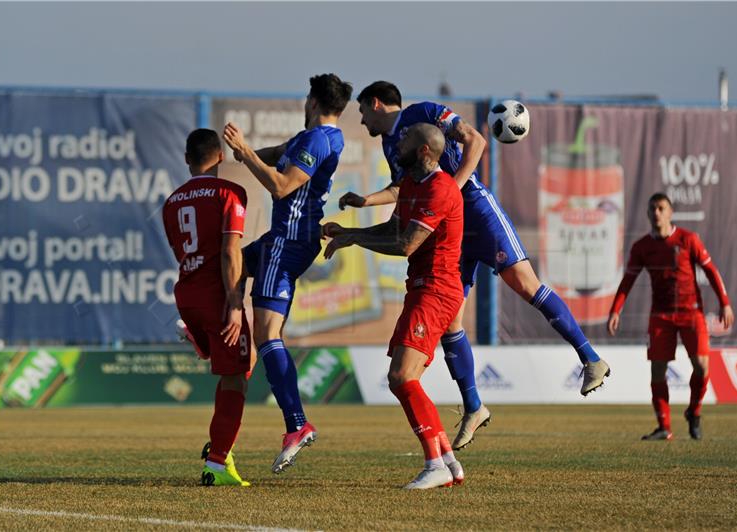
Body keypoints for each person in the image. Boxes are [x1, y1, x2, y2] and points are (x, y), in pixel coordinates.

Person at [340, 81, 610, 450]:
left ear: (375, 104)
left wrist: (452, 189)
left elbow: (477, 142)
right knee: (452, 318)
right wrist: (366, 200)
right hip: (447, 223)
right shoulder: (391, 146)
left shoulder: (423, 113)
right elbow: (403, 188)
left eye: (362, 112)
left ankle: (590, 358)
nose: (361, 120)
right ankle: (473, 406)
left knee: (526, 284)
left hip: (474, 209)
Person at [222, 73, 353, 473]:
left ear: (312, 101)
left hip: (288, 239)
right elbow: (276, 153)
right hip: (290, 239)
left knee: (267, 333)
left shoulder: (316, 141)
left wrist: (244, 149)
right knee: (230, 264)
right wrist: (234, 158)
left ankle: (296, 424)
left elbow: (280, 186)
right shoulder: (314, 138)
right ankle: (202, 330)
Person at [324, 123, 465, 489]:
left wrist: (354, 237)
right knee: (407, 378)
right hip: (421, 289)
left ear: (424, 152)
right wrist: (350, 233)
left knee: (401, 377)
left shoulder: (440, 189)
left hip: (436, 291)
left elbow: (405, 245)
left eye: (406, 141)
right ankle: (448, 461)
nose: (398, 144)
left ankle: (433, 464)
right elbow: (393, 229)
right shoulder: (413, 184)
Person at [162, 129, 252, 486]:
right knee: (236, 375)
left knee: (242, 364)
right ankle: (217, 461)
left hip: (187, 295)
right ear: (221, 156)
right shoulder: (230, 192)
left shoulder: (171, 202)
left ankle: (197, 338)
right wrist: (234, 303)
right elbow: (231, 251)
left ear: (187, 159)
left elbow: (182, 253)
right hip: (218, 297)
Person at [607, 192, 734, 441]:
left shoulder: (688, 239)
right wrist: (615, 309)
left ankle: (694, 412)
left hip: (691, 312)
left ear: (670, 212)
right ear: (647, 213)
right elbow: (628, 280)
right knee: (657, 371)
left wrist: (725, 303)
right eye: (652, 208)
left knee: (701, 366)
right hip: (661, 315)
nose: (656, 213)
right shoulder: (642, 247)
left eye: (661, 208)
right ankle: (664, 427)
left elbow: (711, 271)